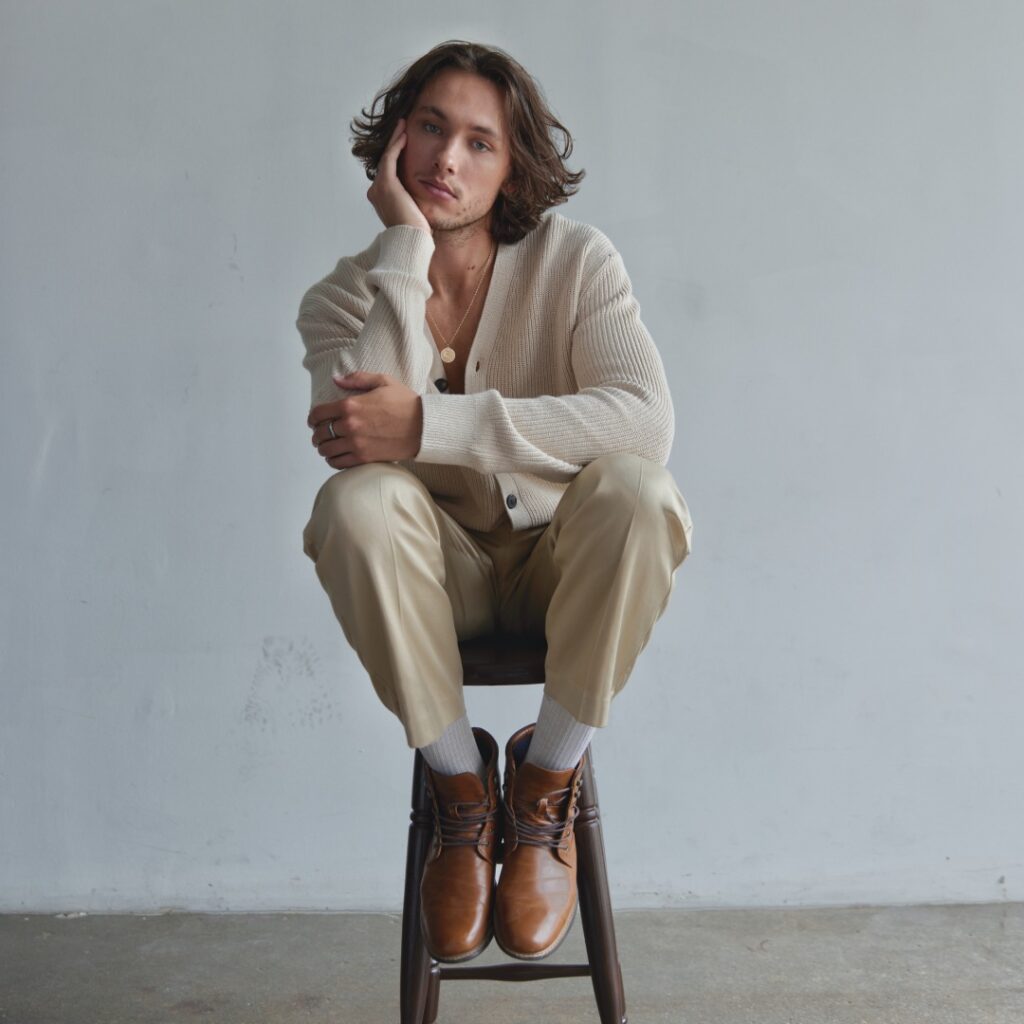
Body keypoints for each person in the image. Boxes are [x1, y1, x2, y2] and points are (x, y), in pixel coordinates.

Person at [296, 39, 694, 964]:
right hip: (438, 579)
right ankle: (462, 796)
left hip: (563, 567)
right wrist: (405, 251)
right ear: (396, 139)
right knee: (354, 502)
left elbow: (645, 421)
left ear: (514, 168)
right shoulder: (338, 301)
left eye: (480, 143)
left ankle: (546, 783)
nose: (447, 159)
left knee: (640, 490)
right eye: (431, 129)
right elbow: (357, 440)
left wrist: (429, 426)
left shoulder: (576, 261)